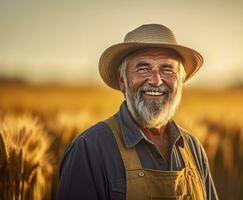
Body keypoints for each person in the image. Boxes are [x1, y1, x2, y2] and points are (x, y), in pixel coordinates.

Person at [58, 24, 218, 200]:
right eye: (143, 68)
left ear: (180, 81)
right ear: (122, 81)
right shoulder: (89, 148)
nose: (156, 81)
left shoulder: (193, 148)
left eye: (167, 69)